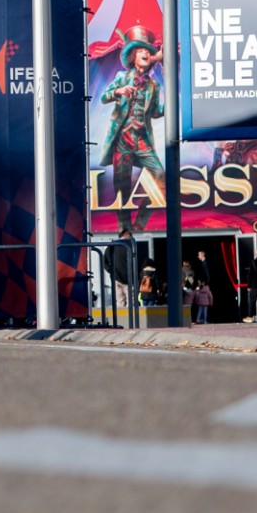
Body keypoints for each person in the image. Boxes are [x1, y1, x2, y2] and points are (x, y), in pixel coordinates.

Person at [99, 26, 165, 235]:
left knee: (160, 175)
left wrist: (170, 100)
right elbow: (103, 97)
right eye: (139, 51)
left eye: (147, 50)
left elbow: (156, 112)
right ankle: (123, 228)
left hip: (142, 138)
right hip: (122, 138)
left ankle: (141, 219)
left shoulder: (154, 86)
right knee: (122, 184)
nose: (145, 53)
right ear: (133, 57)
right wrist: (118, 91)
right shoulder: (121, 77)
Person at [105, 228, 137, 319]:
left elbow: (105, 262)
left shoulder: (112, 246)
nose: (131, 236)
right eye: (130, 234)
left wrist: (111, 271)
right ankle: (132, 322)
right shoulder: (131, 245)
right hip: (129, 278)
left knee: (120, 302)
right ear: (126, 234)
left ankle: (121, 322)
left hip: (116, 278)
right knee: (131, 302)